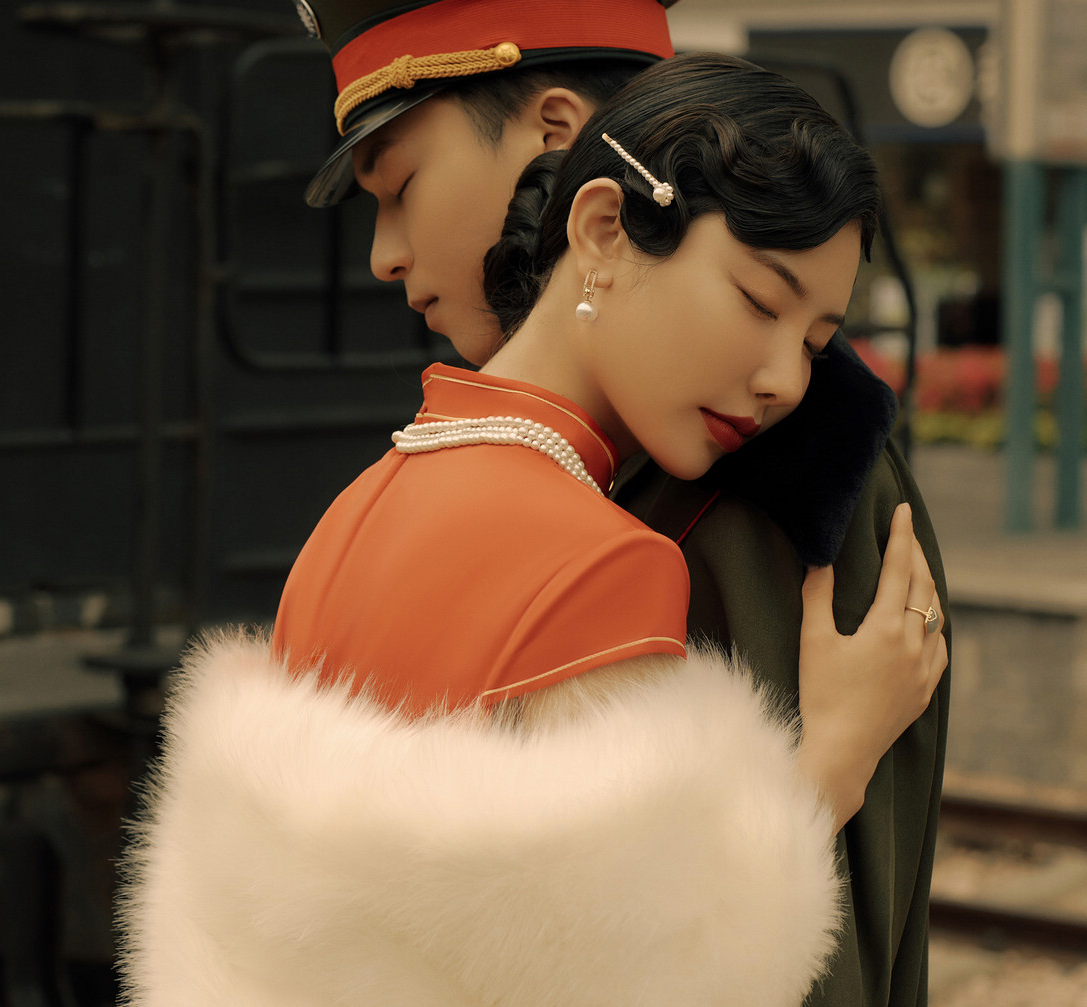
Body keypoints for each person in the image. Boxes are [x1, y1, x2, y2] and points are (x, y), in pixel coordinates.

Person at [119, 51, 947, 1007]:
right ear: (602, 229)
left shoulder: (350, 515)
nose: (786, 380)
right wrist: (837, 756)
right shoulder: (607, 568)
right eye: (760, 301)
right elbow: (641, 981)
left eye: (813, 341)